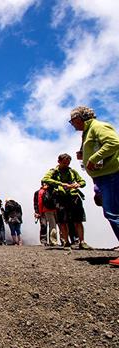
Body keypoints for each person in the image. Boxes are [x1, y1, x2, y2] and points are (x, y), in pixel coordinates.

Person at [69, 106, 119, 265]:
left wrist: (92, 159)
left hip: (110, 175)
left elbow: (113, 143)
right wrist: (84, 155)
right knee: (111, 211)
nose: (72, 124)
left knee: (112, 212)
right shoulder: (88, 131)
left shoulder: (97, 126)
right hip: (102, 177)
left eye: (72, 120)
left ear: (80, 118)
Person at [42, 153, 92, 250]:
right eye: (64, 163)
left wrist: (78, 184)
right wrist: (61, 184)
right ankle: (66, 242)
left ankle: (82, 242)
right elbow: (45, 179)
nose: (66, 165)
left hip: (74, 198)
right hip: (61, 198)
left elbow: (83, 182)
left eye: (68, 163)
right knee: (63, 221)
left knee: (78, 220)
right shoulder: (53, 172)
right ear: (59, 161)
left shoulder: (72, 171)